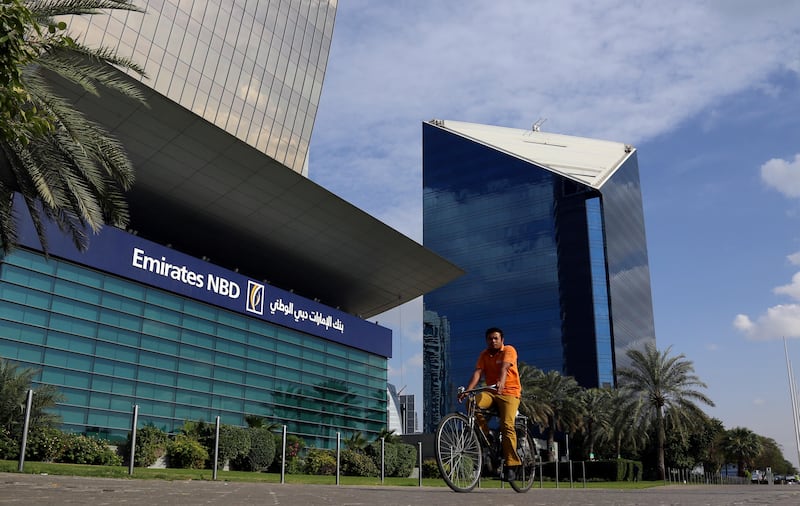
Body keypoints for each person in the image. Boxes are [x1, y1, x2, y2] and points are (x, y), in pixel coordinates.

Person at [458, 326, 521, 480]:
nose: (493, 341)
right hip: (491, 392)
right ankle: (488, 435)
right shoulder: (484, 355)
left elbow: (505, 367)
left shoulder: (509, 350)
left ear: (502, 340)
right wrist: (467, 391)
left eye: (496, 338)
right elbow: (478, 373)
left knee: (507, 425)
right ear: (486, 340)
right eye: (490, 338)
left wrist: (501, 381)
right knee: (472, 403)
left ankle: (511, 465)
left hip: (510, 393)